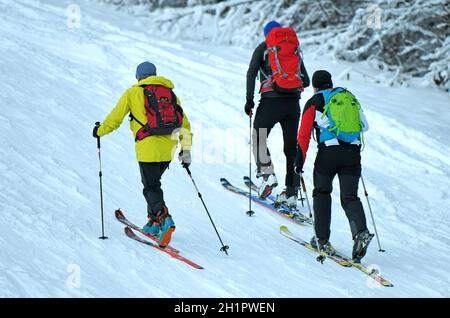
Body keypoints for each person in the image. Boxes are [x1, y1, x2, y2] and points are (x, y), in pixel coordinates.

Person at [93, 61, 193, 247]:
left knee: (150, 187)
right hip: (168, 150)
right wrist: (185, 149)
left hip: (147, 149)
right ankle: (154, 222)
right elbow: (185, 125)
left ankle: (164, 218)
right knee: (154, 183)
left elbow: (115, 119)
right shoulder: (170, 94)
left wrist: (99, 131)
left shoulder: (132, 92)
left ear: (138, 77)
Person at [294, 70, 373, 261]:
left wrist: (299, 161)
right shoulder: (347, 96)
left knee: (322, 192)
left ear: (314, 86)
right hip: (352, 153)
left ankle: (321, 239)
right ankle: (360, 232)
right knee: (350, 197)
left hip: (329, 154)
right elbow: (364, 125)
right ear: (330, 83)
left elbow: (303, 135)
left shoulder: (314, 101)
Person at [246, 20, 310, 207]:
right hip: (293, 105)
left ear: (267, 34)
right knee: (291, 148)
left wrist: (249, 100)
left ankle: (267, 174)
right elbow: (305, 81)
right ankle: (291, 192)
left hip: (270, 102)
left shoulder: (264, 48)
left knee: (259, 137)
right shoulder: (293, 50)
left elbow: (251, 73)